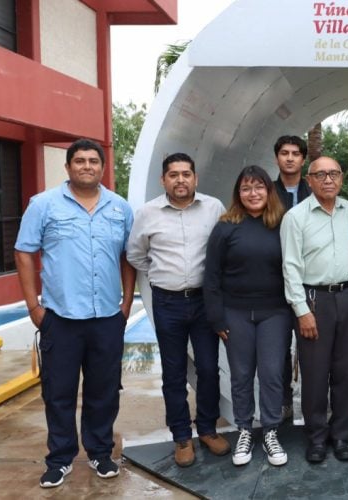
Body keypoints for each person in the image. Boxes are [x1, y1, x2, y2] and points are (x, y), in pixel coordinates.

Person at [14, 139, 135, 488]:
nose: (87, 166)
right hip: (61, 319)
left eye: (93, 161)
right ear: (68, 168)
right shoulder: (44, 205)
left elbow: (128, 256)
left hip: (107, 318)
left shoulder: (119, 208)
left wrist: (126, 303)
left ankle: (100, 451)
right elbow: (24, 253)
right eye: (79, 161)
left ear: (102, 167)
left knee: (104, 389)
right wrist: (34, 307)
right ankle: (60, 458)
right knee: (59, 391)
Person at [127, 152, 228, 468]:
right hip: (167, 302)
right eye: (174, 174)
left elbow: (225, 249)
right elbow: (136, 255)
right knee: (172, 373)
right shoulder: (147, 213)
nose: (180, 180)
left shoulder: (213, 208)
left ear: (195, 178)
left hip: (203, 302)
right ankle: (182, 437)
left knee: (209, 368)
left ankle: (208, 428)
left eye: (186, 174)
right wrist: (163, 275)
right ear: (163, 180)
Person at [203, 165, 293, 467]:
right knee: (241, 376)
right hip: (235, 313)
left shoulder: (283, 224)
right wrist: (217, 318)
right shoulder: (226, 227)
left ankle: (270, 430)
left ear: (269, 191)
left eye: (259, 187)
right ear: (238, 193)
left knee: (271, 375)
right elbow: (212, 276)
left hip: (275, 312)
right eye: (246, 188)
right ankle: (244, 429)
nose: (253, 193)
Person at [280, 156, 348, 464]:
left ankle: (341, 435)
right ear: (310, 180)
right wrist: (301, 310)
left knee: (346, 372)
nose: (328, 180)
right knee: (315, 374)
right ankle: (316, 436)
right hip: (314, 300)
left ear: (341, 178)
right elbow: (289, 266)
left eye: (334, 174)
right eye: (321, 175)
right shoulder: (296, 217)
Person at [273, 135, 311, 423]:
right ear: (277, 158)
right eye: (284, 153)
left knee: (311, 347)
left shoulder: (316, 190)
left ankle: (313, 404)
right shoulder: (266, 193)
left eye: (295, 153)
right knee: (278, 348)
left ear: (303, 159)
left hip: (310, 285)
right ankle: (284, 402)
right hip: (274, 284)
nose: (289, 158)